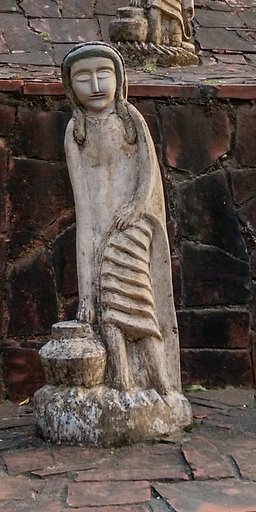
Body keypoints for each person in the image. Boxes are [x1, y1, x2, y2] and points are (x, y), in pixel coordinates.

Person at [61, 42, 184, 419]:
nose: (96, 84)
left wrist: (134, 209)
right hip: (100, 233)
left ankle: (164, 387)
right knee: (109, 313)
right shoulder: (76, 131)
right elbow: (84, 206)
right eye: (83, 77)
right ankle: (124, 384)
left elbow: (147, 175)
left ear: (119, 77)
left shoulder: (130, 119)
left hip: (136, 226)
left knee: (142, 311)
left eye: (104, 73)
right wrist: (85, 291)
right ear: (70, 86)